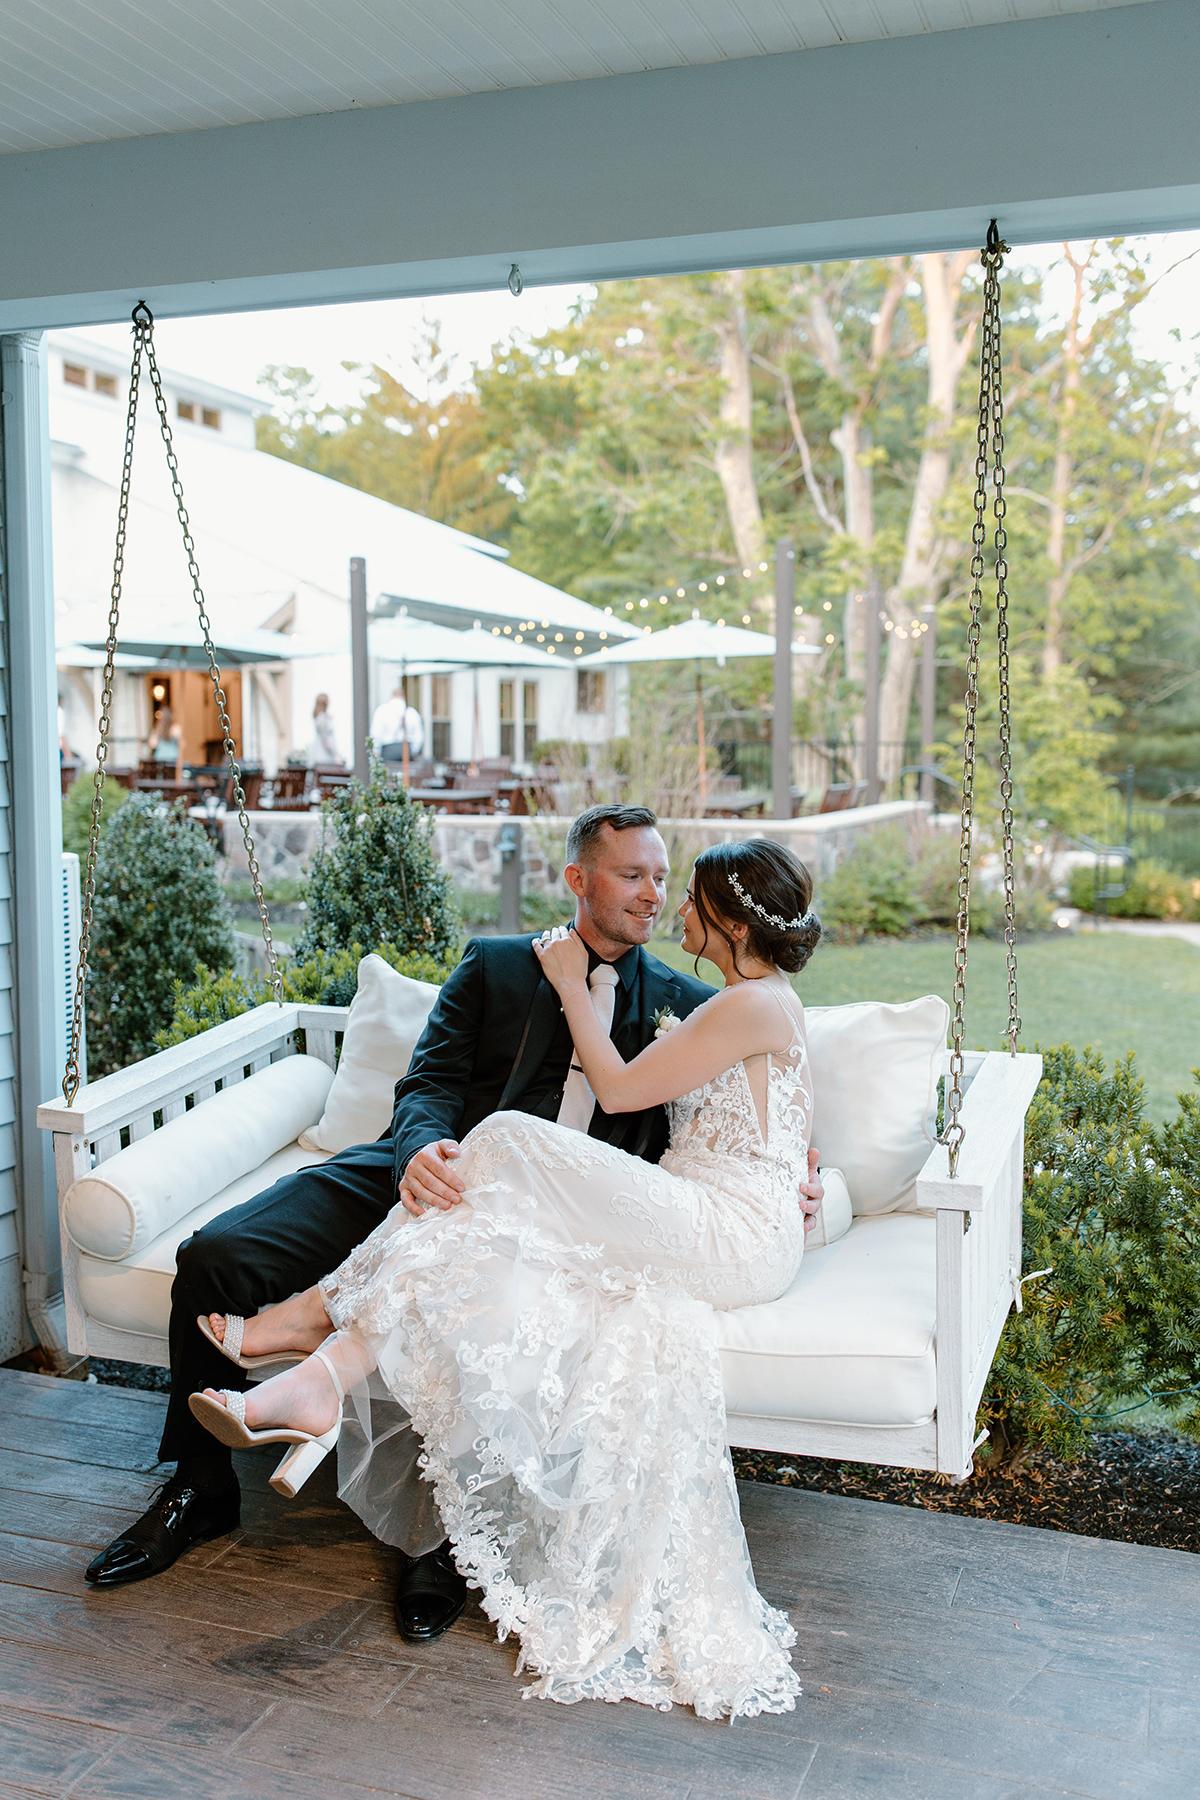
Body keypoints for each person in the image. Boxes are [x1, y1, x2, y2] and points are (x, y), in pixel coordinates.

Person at [83, 805, 824, 1651]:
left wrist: (811, 1181)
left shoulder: (694, 1003)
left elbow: (772, 1114)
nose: (655, 894)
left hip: (544, 1217)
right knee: (214, 1257)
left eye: (665, 877)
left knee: (481, 1287)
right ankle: (198, 1486)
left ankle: (429, 1540)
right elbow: (427, 1078)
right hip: (419, 1178)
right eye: (633, 875)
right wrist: (418, 1153)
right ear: (579, 879)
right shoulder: (500, 965)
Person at [370, 679, 424, 763]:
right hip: (407, 750)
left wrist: (376, 753)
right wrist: (413, 751)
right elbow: (419, 737)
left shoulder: (382, 711)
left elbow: (376, 734)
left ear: (392, 696)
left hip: (387, 750)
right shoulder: (412, 712)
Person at [308, 692, 341, 765]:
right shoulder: (322, 719)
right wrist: (335, 753)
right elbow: (325, 739)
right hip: (324, 755)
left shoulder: (322, 717)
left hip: (321, 754)